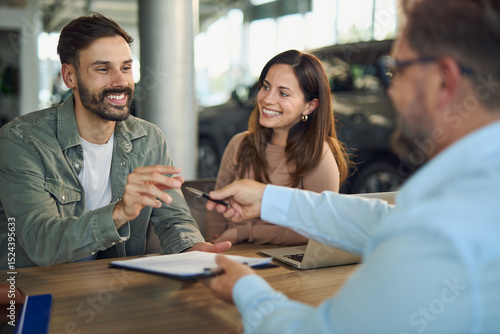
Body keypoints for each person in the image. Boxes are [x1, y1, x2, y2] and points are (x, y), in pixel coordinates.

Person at [202, 0, 500, 332]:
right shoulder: (475, 185)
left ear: (443, 82)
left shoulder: (438, 231)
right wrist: (270, 200)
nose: (391, 90)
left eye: (394, 70)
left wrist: (248, 291)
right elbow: (384, 221)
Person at [0, 13, 230, 270]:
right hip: (38, 293)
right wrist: (119, 212)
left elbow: (173, 218)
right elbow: (40, 242)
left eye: (126, 67)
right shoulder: (22, 139)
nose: (120, 81)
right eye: (102, 69)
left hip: (117, 290)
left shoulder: (149, 139)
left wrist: (193, 249)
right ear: (69, 77)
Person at [205, 50, 350, 245]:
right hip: (235, 258)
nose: (267, 99)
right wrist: (215, 248)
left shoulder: (318, 154)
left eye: (283, 93)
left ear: (309, 106)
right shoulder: (239, 144)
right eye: (266, 87)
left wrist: (244, 232)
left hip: (288, 270)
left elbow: (318, 230)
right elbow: (217, 212)